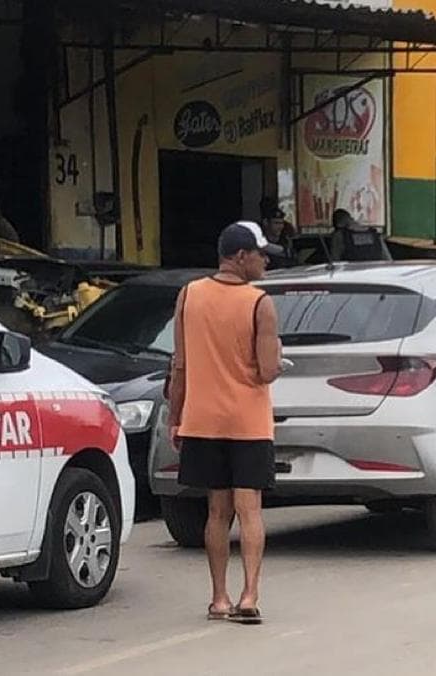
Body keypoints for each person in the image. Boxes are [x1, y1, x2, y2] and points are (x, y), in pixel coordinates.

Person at [166, 221, 284, 625]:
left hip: (203, 420)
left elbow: (179, 364)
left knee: (217, 510)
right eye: (260, 254)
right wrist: (278, 353)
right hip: (248, 421)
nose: (265, 261)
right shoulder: (260, 303)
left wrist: (174, 416)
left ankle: (219, 597)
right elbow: (267, 371)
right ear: (239, 257)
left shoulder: (189, 295)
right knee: (249, 509)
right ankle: (250, 595)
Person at [259, 197, 294, 268]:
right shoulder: (259, 238)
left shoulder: (286, 239)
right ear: (266, 223)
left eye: (281, 223)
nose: (280, 226)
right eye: (276, 223)